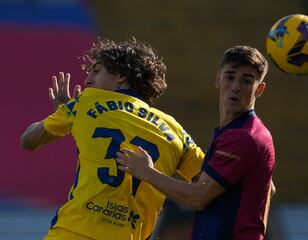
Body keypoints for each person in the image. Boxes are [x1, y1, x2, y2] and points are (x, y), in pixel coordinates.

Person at [20, 38, 204, 240]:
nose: (87, 80)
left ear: (121, 76)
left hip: (72, 233)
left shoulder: (86, 102)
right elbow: (205, 187)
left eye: (96, 71)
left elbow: (28, 141)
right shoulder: (175, 130)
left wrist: (64, 113)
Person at [116, 45, 276, 240]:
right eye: (230, 76)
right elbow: (269, 187)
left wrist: (147, 172)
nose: (235, 86)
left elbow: (197, 198)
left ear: (259, 89)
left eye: (246, 81)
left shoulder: (243, 137)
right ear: (218, 78)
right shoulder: (242, 131)